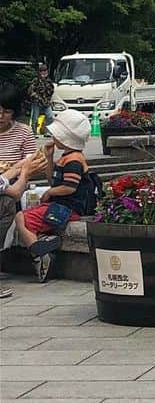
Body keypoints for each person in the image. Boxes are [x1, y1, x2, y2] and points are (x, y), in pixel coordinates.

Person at [13, 109, 94, 283]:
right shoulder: (67, 157)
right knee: (29, 219)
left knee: (21, 217)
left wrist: (50, 193)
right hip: (64, 206)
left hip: (67, 208)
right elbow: (53, 182)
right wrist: (49, 159)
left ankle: (39, 253)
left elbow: (69, 187)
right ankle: (42, 249)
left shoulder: (73, 160)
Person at [0, 83, 44, 297]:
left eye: (6, 111)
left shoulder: (23, 132)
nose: (1, 116)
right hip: (6, 186)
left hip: (16, 186)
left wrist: (15, 171)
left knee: (10, 203)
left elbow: (31, 165)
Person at [25, 64, 55, 135]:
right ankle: (34, 133)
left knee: (50, 117)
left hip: (46, 103)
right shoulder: (36, 81)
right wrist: (37, 97)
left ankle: (47, 132)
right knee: (35, 119)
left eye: (45, 71)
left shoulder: (49, 81)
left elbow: (51, 91)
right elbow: (30, 91)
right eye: (42, 71)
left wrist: (48, 97)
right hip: (37, 103)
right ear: (39, 72)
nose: (43, 72)